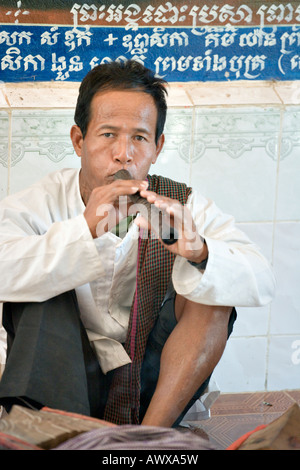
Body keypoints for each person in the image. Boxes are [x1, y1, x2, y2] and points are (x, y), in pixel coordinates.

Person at [0, 60, 275, 427]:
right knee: (35, 287)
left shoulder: (179, 204)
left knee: (214, 284)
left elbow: (262, 278)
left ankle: (146, 440)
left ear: (157, 147)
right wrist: (83, 229)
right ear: (79, 140)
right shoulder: (41, 202)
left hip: (150, 389)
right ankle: (63, 434)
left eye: (140, 138)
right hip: (57, 381)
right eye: (108, 134)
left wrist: (200, 252)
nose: (124, 154)